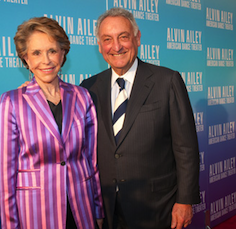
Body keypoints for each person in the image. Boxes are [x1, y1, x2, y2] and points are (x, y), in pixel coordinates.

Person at [80, 8, 200, 229]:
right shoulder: (88, 89)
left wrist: (185, 200)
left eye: (123, 37)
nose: (116, 46)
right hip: (107, 209)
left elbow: (186, 148)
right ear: (99, 46)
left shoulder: (167, 81)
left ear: (137, 38)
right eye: (107, 39)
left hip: (157, 207)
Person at [0, 17, 104, 229]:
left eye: (52, 51)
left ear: (63, 54)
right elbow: (6, 176)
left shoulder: (82, 97)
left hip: (81, 209)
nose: (46, 60)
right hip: (36, 214)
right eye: (36, 53)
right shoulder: (12, 102)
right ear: (25, 58)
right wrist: (10, 225)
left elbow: (91, 161)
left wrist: (97, 208)